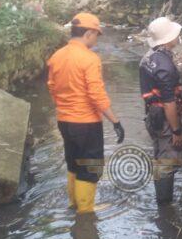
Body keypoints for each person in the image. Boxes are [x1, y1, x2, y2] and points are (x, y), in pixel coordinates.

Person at [47, 12, 125, 214]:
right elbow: (96, 95)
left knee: (73, 163)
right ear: (89, 33)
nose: (96, 39)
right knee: (90, 168)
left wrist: (64, 108)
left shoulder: (56, 56)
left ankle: (74, 204)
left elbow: (52, 88)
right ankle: (86, 211)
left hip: (64, 121)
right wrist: (115, 121)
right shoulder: (89, 59)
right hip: (86, 123)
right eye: (96, 35)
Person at [139, 16, 182, 205]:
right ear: (168, 39)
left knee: (160, 157)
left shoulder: (148, 57)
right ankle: (165, 206)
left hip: (153, 117)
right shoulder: (165, 66)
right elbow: (169, 103)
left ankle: (161, 201)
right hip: (165, 120)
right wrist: (177, 131)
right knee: (167, 161)